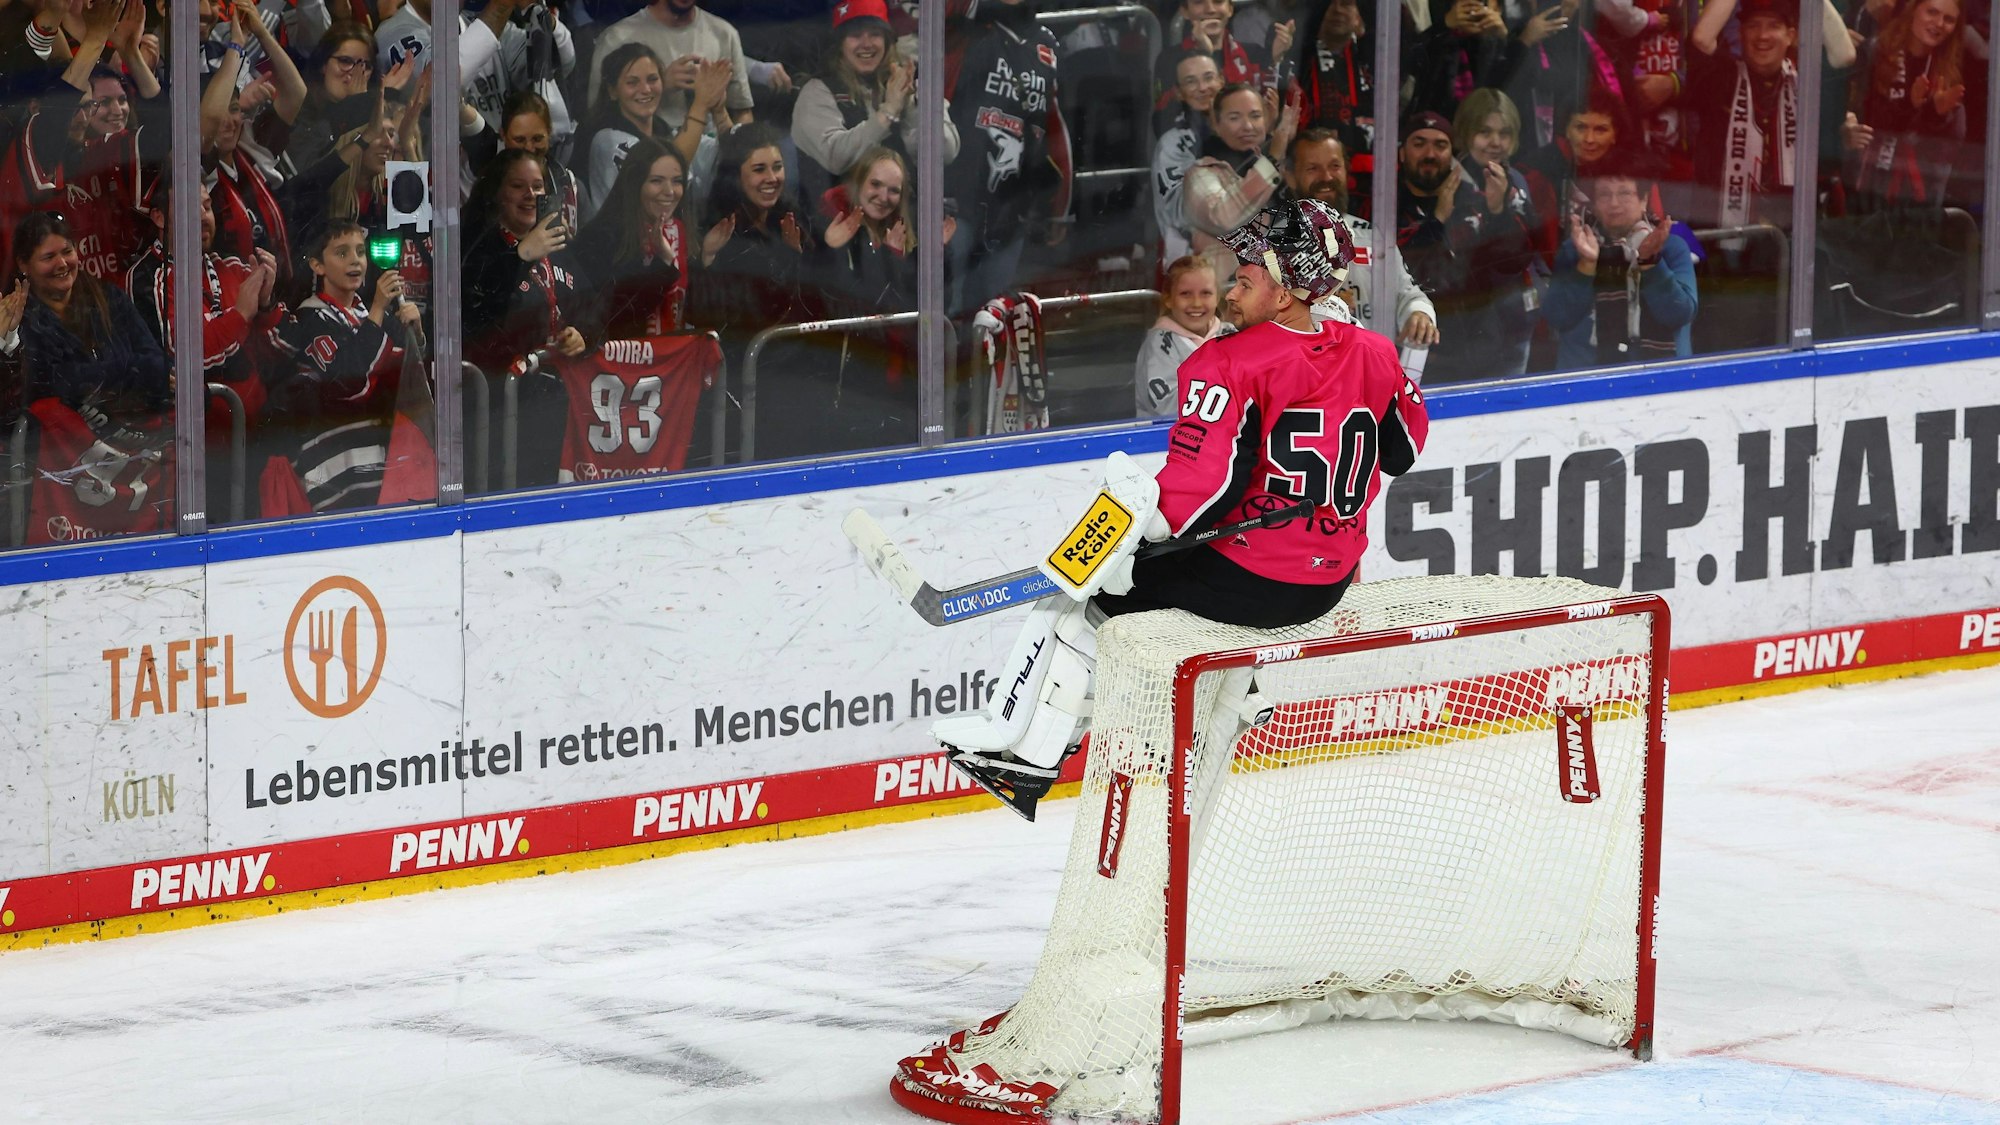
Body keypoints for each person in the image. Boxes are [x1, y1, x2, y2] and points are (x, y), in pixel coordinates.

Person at [938, 199, 1430, 819]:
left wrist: (1123, 544)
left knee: (1087, 605)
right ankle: (1244, 692)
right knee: (1162, 587)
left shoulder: (1227, 361)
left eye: (1248, 276)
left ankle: (1024, 760)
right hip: (1329, 581)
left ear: (1285, 293)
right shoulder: (1372, 351)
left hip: (1253, 578)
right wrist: (1350, 346)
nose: (1234, 287)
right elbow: (1404, 450)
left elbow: (1200, 489)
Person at [2, 211, 175, 544]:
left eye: (67, 251)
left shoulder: (109, 298)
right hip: (62, 478)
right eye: (48, 257)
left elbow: (156, 364)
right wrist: (124, 373)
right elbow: (49, 386)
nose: (62, 263)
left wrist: (96, 380)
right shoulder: (16, 319)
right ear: (24, 265)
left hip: (134, 454)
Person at [265, 221, 431, 513]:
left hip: (378, 457)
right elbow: (350, 382)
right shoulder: (309, 320)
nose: (355, 260)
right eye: (342, 253)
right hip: (333, 465)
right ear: (317, 265)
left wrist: (416, 333)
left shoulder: (368, 314)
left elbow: (410, 373)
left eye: (360, 252)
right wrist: (378, 308)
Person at [690, 122, 818, 458]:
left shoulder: (790, 218)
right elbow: (718, 313)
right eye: (759, 169)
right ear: (736, 176)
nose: (772, 178)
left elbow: (814, 299)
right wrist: (707, 259)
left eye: (777, 167)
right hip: (745, 380)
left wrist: (796, 256)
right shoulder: (717, 227)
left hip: (797, 372)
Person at [942, 0, 1072, 315]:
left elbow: (1053, 124)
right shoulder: (964, 25)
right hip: (954, 202)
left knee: (993, 316)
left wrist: (1060, 207)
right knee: (947, 310)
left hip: (1010, 208)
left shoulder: (1047, 42)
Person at [1395, 108, 1537, 381]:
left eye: (1440, 145)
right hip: (1415, 357)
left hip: (1484, 357)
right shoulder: (1386, 206)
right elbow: (1404, 275)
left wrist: (1498, 212)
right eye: (1419, 144)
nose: (1430, 154)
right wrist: (1436, 221)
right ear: (1402, 153)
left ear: (1452, 154)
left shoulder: (1474, 201)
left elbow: (1512, 265)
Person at [790, 0, 958, 208]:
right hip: (837, 220)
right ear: (840, 44)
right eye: (855, 35)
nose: (867, 44)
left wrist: (912, 104)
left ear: (887, 42)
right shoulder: (817, 92)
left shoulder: (905, 84)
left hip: (904, 217)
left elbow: (945, 153)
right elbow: (836, 158)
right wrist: (888, 112)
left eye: (875, 34)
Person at [1286, 127, 1438, 346]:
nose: (1326, 177)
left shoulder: (1371, 236)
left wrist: (1419, 314)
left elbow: (1406, 292)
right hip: (1304, 362)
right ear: (1291, 177)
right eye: (1313, 168)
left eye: (1335, 166)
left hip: (1370, 360)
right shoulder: (1273, 241)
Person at [1544, 164, 1696, 367]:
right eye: (1604, 195)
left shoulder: (1670, 247)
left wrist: (1650, 262)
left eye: (1624, 194)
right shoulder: (1575, 248)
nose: (1614, 203)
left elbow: (1680, 314)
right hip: (1586, 373)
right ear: (1595, 205)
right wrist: (1586, 265)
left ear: (1643, 201)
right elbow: (1557, 317)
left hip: (1658, 372)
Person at [1182, 82, 1298, 289]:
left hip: (1281, 292)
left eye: (1255, 116)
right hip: (1227, 296)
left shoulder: (1274, 166)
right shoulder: (1200, 173)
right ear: (1216, 125)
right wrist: (1272, 158)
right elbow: (1223, 218)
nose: (1248, 126)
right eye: (1235, 118)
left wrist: (1284, 150)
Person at [575, 136, 691, 340]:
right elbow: (620, 319)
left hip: (670, 357)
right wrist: (663, 262)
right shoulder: (601, 238)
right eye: (656, 181)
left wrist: (709, 259)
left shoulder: (681, 232)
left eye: (677, 181)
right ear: (635, 184)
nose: (670, 192)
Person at [1134, 254, 1231, 417]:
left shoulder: (1231, 334)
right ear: (1169, 299)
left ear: (1217, 298)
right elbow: (1166, 406)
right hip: (1168, 432)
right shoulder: (1159, 345)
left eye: (1206, 293)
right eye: (1186, 294)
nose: (1196, 303)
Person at [1154, 48, 1225, 269]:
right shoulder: (1172, 143)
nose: (1203, 87)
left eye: (1208, 77)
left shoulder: (1247, 132)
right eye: (1191, 81)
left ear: (1221, 80)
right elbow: (1179, 214)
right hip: (1193, 264)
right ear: (1178, 92)